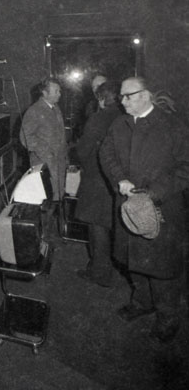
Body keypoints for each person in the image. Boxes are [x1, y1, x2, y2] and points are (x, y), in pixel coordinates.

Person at [99, 76, 189, 343]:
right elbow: (106, 154)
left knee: (162, 269)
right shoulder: (119, 123)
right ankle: (142, 302)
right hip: (129, 208)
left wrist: (154, 193)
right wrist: (119, 179)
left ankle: (167, 316)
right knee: (133, 261)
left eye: (129, 95)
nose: (123, 101)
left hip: (162, 209)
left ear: (147, 95)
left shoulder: (172, 126)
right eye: (121, 96)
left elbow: (186, 167)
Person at [75, 80, 122, 287]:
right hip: (116, 180)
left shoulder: (98, 118)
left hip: (96, 180)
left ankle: (99, 273)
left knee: (97, 228)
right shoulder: (123, 117)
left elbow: (82, 151)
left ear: (101, 99)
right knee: (110, 226)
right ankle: (108, 267)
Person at [19, 77, 67, 201]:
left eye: (59, 91)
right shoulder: (34, 111)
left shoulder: (55, 108)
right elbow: (25, 137)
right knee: (45, 199)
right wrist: (45, 151)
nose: (59, 94)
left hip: (58, 163)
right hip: (43, 163)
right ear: (45, 93)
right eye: (56, 91)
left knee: (58, 195)